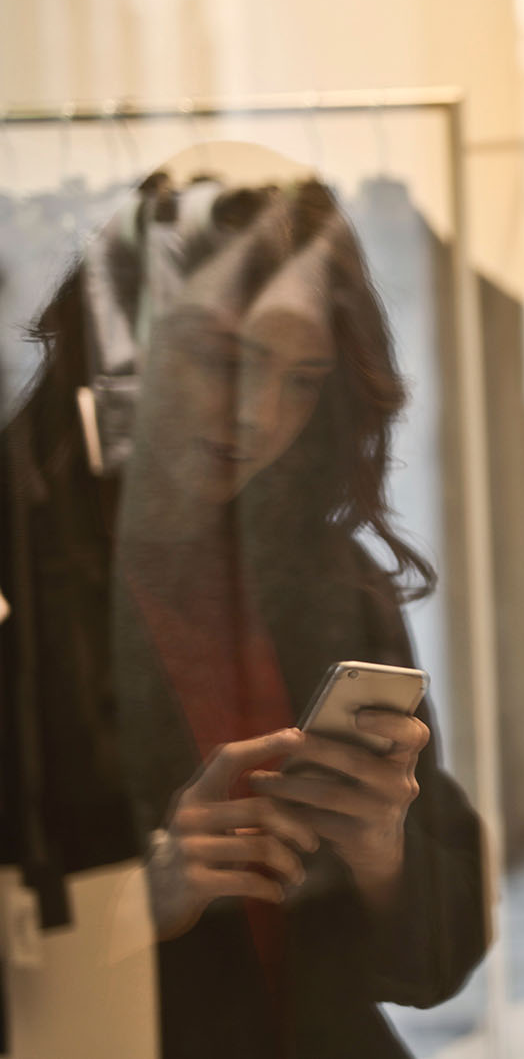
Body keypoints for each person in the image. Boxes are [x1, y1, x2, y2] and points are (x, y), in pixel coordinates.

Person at [0, 166, 487, 1056]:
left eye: (301, 380)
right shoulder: (21, 573)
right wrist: (143, 898)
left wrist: (382, 854)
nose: (257, 416)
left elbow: (437, 960)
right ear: (122, 344)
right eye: (224, 361)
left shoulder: (332, 579)